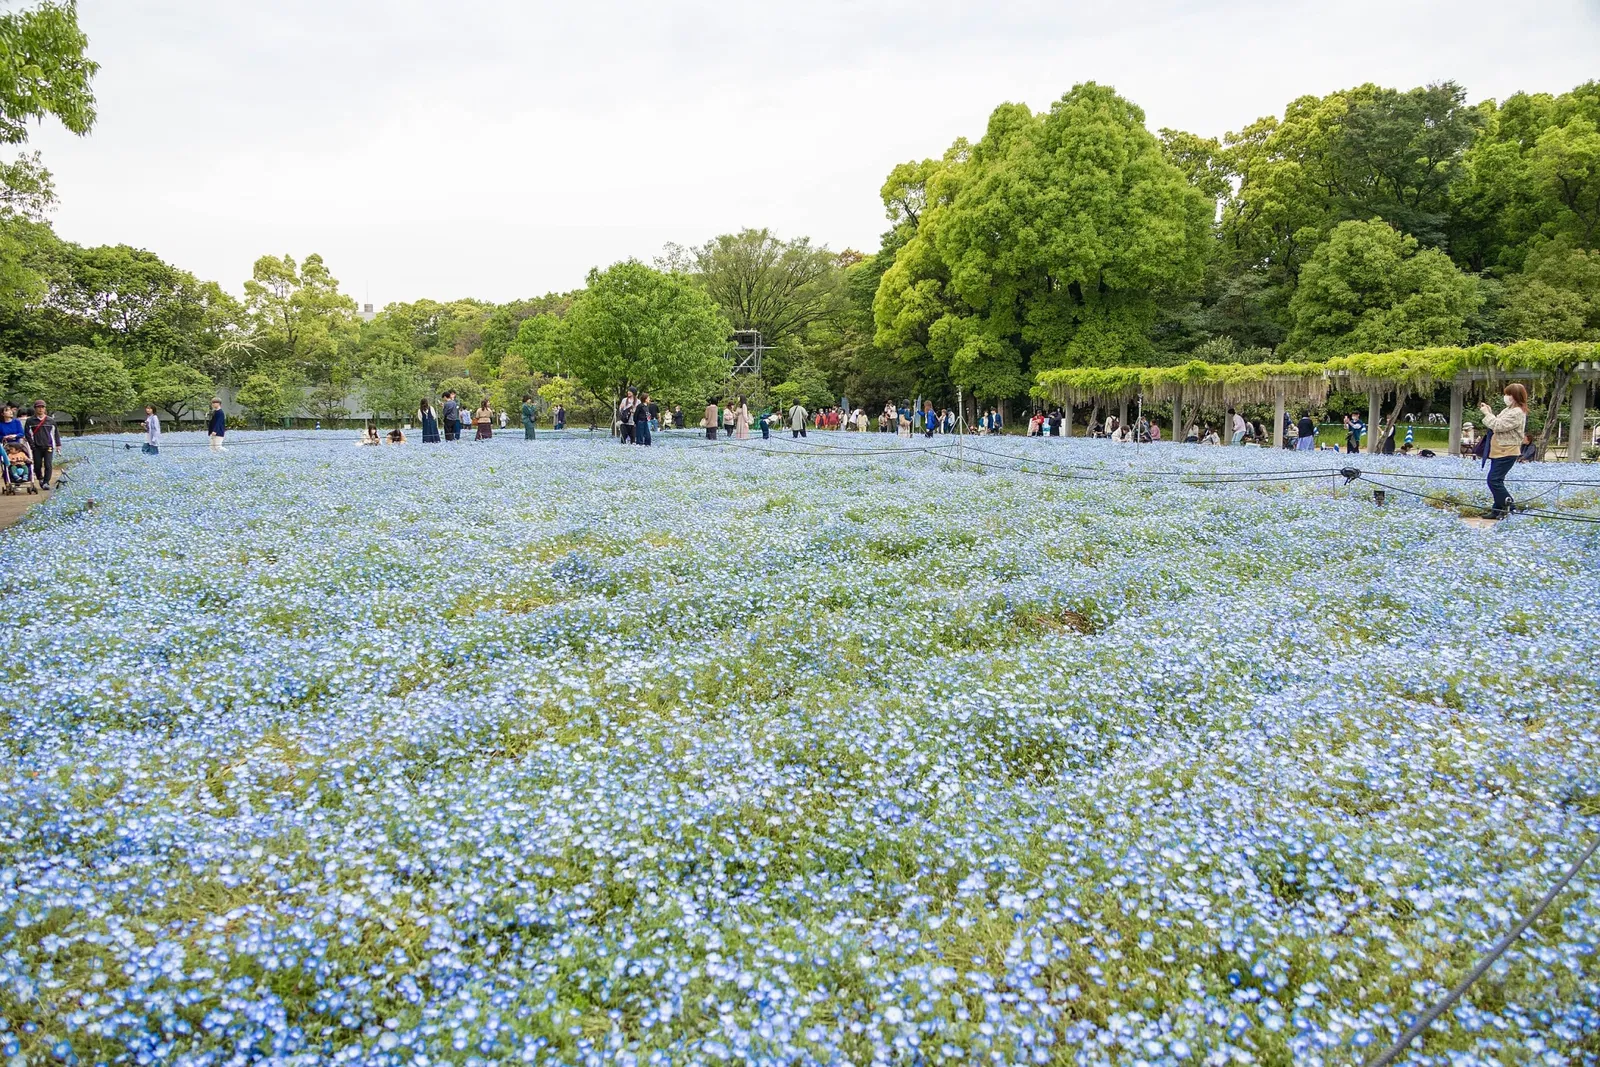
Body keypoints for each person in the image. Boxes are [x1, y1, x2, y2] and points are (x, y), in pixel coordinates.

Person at [1479, 383, 1528, 519]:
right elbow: (1496, 422)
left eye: (1508, 394)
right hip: (1499, 450)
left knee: (1493, 480)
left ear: (1515, 396)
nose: (1505, 397)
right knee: (1497, 480)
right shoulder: (1508, 410)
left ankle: (1511, 508)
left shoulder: (1517, 412)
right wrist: (1490, 413)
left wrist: (1487, 414)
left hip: (1507, 451)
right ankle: (1497, 510)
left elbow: (1497, 425)